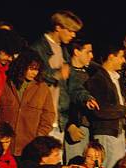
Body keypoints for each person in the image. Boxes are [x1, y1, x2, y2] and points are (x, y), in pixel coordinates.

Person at [30, 10, 83, 143]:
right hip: (41, 118)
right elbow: (34, 76)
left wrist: (86, 97)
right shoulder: (37, 48)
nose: (73, 35)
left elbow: (72, 83)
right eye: (70, 30)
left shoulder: (64, 50)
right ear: (58, 27)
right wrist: (56, 74)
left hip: (58, 119)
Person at [85, 42, 126, 168]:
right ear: (111, 57)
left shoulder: (117, 79)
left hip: (119, 133)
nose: (123, 60)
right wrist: (124, 112)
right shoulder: (98, 79)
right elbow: (99, 109)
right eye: (121, 56)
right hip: (106, 133)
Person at [0, 49, 55, 156]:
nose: (34, 72)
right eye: (31, 68)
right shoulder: (6, 83)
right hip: (4, 146)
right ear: (22, 66)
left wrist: (39, 136)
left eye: (37, 69)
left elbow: (48, 116)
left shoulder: (42, 88)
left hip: (29, 148)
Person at [65, 38, 99, 162]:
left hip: (90, 128)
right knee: (76, 164)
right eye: (88, 52)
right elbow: (62, 101)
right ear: (76, 52)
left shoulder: (93, 73)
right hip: (76, 128)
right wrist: (70, 124)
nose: (91, 55)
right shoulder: (66, 73)